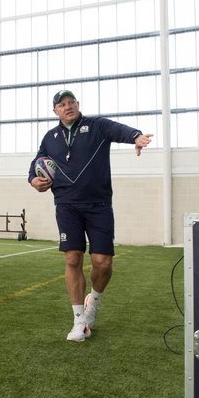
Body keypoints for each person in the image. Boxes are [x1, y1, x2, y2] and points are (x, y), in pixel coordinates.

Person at [29, 89, 152, 342]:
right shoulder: (50, 137)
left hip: (99, 204)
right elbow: (37, 162)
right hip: (66, 204)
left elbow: (118, 130)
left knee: (103, 263)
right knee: (73, 258)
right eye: (62, 104)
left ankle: (92, 303)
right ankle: (78, 321)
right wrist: (33, 180)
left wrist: (136, 136)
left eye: (71, 102)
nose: (68, 106)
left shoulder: (96, 126)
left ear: (77, 104)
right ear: (55, 111)